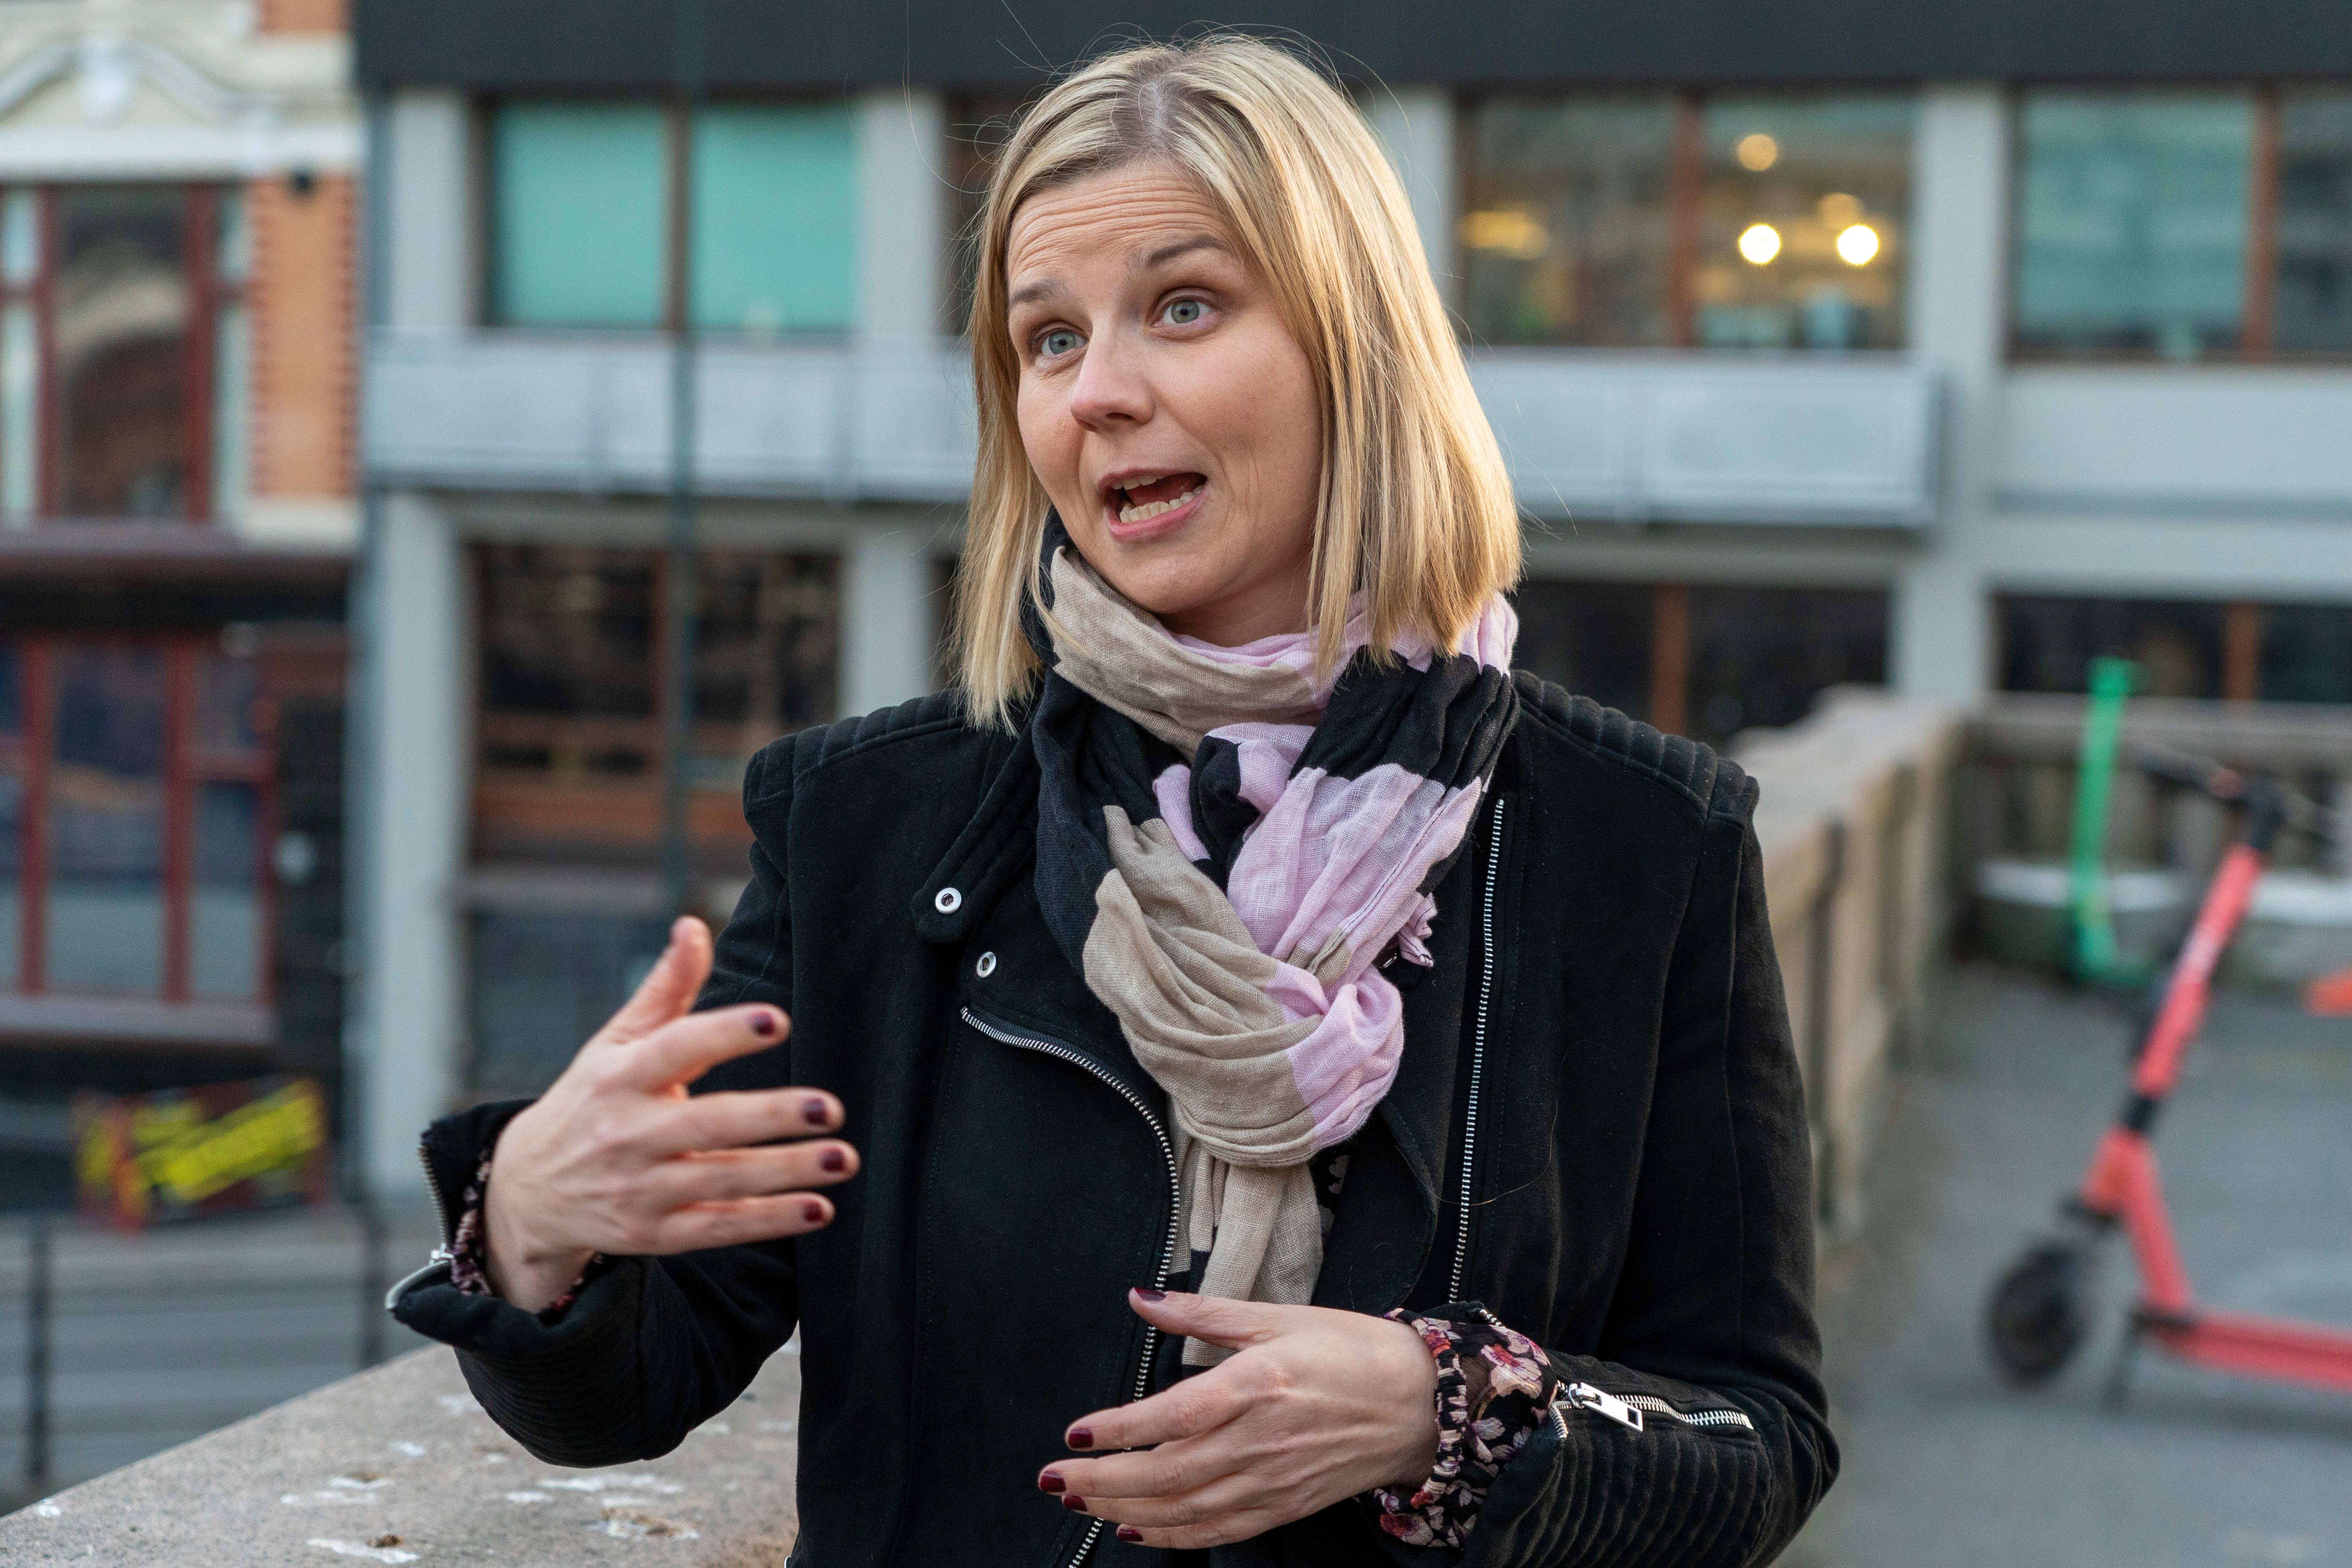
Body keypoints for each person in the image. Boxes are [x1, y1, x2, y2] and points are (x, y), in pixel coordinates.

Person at [391, 34, 1836, 1567]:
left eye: (1184, 307)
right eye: (1050, 340)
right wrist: (531, 1221)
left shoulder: (1645, 847)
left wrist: (1451, 1408)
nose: (1099, 394)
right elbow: (637, 1381)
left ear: (1355, 347)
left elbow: (1760, 1439)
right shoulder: (868, 826)